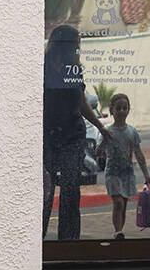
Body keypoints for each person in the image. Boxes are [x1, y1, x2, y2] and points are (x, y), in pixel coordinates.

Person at [42, 24, 108, 240]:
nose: (78, 49)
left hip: (72, 135)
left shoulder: (75, 69)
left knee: (70, 190)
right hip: (48, 136)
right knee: (45, 191)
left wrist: (100, 126)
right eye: (76, 44)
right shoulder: (42, 68)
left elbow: (81, 103)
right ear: (64, 45)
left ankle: (68, 243)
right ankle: (37, 243)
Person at [100, 92, 150, 239]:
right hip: (112, 173)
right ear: (111, 111)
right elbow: (99, 152)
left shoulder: (132, 131)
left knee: (124, 203)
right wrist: (104, 139)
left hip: (127, 173)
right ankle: (117, 231)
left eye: (125, 108)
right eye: (118, 108)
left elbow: (138, 153)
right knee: (118, 202)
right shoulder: (108, 131)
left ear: (129, 109)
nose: (122, 111)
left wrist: (146, 174)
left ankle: (119, 231)